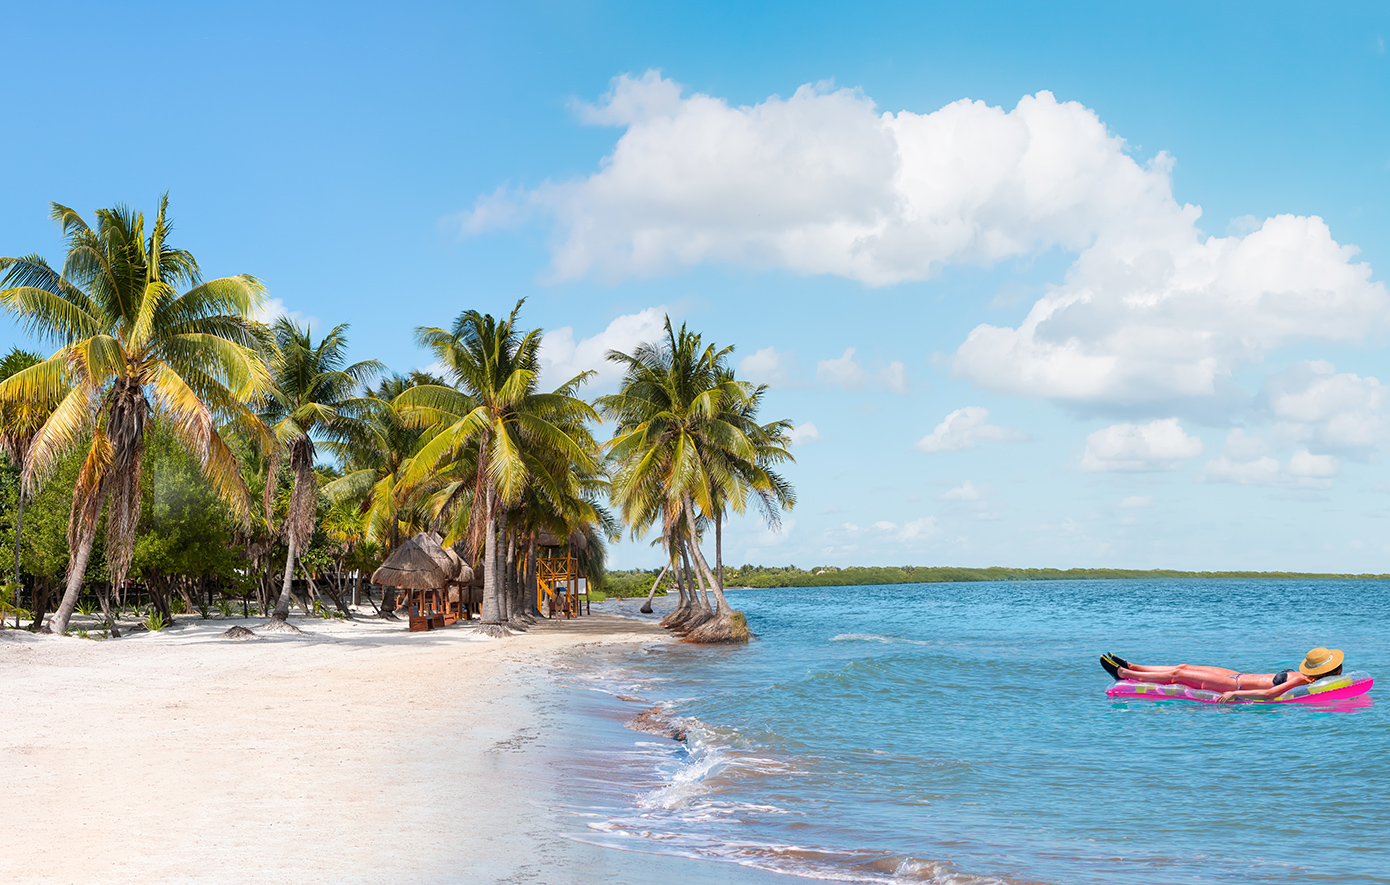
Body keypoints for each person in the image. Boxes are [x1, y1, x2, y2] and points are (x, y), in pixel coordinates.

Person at [1100, 647, 1345, 704]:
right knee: (1183, 666)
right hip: (1236, 676)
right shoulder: (1303, 677)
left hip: (1234, 684)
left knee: (1178, 674)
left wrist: (1233, 695)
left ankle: (1124, 673)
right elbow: (1270, 690)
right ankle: (1134, 666)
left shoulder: (1303, 679)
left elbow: (1270, 694)